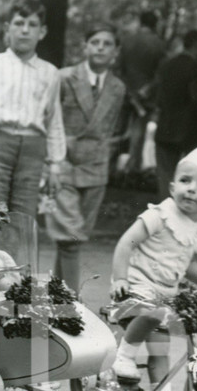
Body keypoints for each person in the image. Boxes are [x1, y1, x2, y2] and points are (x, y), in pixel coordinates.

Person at [109, 144, 197, 391]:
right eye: (185, 181)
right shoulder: (160, 215)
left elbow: (186, 264)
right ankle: (124, 357)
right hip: (134, 288)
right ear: (172, 185)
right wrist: (119, 279)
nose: (191, 189)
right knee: (155, 311)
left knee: (160, 352)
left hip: (163, 296)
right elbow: (125, 243)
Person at [0, 0, 65, 266]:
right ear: (8, 28)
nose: (25, 30)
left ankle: (15, 279)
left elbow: (54, 119)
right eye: (19, 23)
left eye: (32, 25)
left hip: (33, 146)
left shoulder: (50, 73)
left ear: (42, 32)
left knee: (23, 214)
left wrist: (55, 163)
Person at [46, 23, 127, 290]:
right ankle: (71, 304)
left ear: (116, 51)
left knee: (73, 238)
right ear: (85, 47)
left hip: (96, 167)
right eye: (95, 42)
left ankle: (57, 297)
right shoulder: (64, 77)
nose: (100, 48)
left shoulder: (117, 88)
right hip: (63, 163)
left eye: (107, 43)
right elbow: (49, 118)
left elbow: (112, 127)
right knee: (70, 235)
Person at [153, 30, 197, 200]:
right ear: (196, 46)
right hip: (189, 130)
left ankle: (165, 216)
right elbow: (196, 100)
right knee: (195, 175)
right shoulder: (196, 68)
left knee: (166, 176)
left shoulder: (167, 65)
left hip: (165, 127)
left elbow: (159, 97)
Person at [115, 10, 166, 176]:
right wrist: (148, 88)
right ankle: (132, 169)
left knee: (117, 129)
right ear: (155, 24)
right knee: (138, 133)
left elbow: (118, 69)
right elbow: (161, 73)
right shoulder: (158, 44)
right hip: (146, 96)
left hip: (124, 93)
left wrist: (127, 88)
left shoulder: (127, 41)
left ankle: (110, 167)